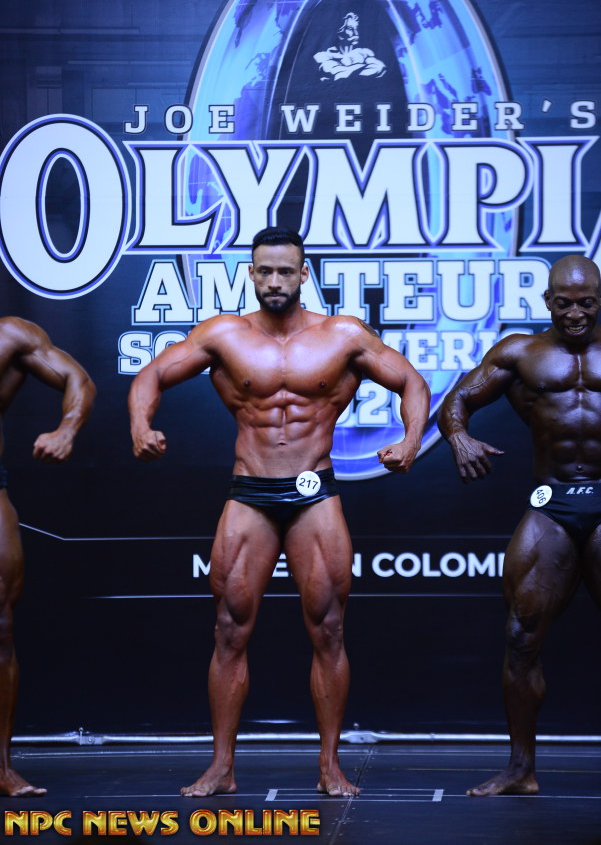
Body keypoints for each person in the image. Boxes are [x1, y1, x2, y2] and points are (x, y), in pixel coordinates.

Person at [129, 226, 430, 798]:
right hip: (251, 493)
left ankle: (330, 766)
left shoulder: (342, 335)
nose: (274, 281)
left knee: (330, 628)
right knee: (228, 629)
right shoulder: (224, 334)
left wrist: (411, 439)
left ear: (303, 274)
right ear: (250, 273)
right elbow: (152, 374)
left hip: (315, 493)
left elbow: (411, 382)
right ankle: (221, 767)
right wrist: (141, 425)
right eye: (264, 271)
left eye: (285, 271)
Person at [437, 254, 601, 796]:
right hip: (552, 503)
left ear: (600, 301)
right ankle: (521, 769)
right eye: (565, 303)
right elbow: (457, 400)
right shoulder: (520, 352)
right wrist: (459, 438)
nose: (575, 314)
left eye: (587, 303)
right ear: (547, 301)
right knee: (520, 636)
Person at [0, 317, 95, 796]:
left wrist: (66, 429)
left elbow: (80, 379)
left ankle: (1, 767)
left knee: (0, 626)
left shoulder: (10, 336)